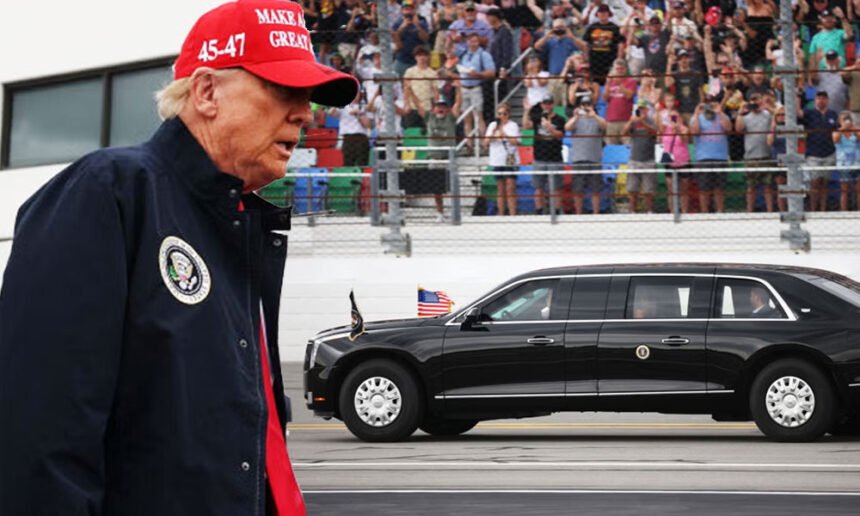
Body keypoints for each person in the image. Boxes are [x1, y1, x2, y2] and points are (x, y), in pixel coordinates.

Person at [0, 1, 359, 515]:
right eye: (284, 89)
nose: (305, 112)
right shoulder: (110, 193)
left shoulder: (238, 224)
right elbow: (39, 436)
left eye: (308, 96)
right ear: (207, 91)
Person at [565, 95, 608, 214]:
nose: (586, 107)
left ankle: (596, 214)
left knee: (596, 190)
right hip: (579, 158)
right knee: (578, 189)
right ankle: (579, 213)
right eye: (584, 105)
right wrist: (575, 116)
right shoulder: (576, 119)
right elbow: (567, 127)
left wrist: (594, 115)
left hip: (595, 158)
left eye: (588, 104)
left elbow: (605, 126)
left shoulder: (597, 119)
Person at [524, 94, 566, 214]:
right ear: (541, 105)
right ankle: (539, 211)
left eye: (549, 103)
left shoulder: (560, 119)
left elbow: (560, 135)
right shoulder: (537, 117)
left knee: (556, 188)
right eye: (544, 103)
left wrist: (550, 128)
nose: (547, 106)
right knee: (538, 187)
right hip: (539, 157)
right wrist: (527, 111)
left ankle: (557, 211)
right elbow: (526, 125)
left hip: (555, 158)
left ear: (553, 104)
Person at [691, 95, 732, 213]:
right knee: (704, 188)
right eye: (707, 103)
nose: (710, 106)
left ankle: (719, 211)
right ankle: (705, 212)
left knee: (719, 188)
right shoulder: (697, 117)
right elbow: (695, 131)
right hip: (703, 157)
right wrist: (697, 114)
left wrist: (720, 112)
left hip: (720, 156)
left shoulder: (722, 116)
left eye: (712, 103)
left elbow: (728, 128)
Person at [735, 93, 774, 212]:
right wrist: (740, 113)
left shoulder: (767, 115)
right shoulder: (746, 117)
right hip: (751, 156)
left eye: (757, 100)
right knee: (751, 186)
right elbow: (738, 129)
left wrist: (767, 106)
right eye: (752, 100)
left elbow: (778, 115)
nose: (755, 102)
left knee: (767, 186)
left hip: (766, 154)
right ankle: (749, 211)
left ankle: (770, 211)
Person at [800, 90, 838, 211]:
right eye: (819, 98)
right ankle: (813, 209)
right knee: (814, 182)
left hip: (829, 152)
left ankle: (823, 209)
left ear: (827, 100)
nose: (821, 100)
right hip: (813, 153)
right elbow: (798, 114)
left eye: (824, 98)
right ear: (815, 100)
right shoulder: (809, 113)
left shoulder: (833, 114)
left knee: (825, 183)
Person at [458, 32, 496, 154]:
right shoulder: (464, 54)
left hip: (476, 87)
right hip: (464, 87)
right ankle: (469, 145)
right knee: (466, 118)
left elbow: (491, 72)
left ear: (478, 42)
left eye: (475, 41)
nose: (472, 43)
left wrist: (478, 74)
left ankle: (483, 145)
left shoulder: (483, 55)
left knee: (479, 116)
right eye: (470, 41)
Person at [657, 93, 692, 213]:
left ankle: (685, 211)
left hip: (683, 160)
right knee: (671, 189)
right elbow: (659, 136)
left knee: (684, 189)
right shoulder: (665, 129)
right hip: (670, 161)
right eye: (671, 117)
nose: (673, 119)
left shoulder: (684, 129)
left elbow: (684, 139)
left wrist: (677, 128)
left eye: (675, 117)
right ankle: (672, 211)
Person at [486, 103, 521, 215]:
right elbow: (485, 142)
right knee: (500, 189)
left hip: (509, 158)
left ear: (508, 114)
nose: (502, 116)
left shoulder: (513, 126)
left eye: (504, 114)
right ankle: (500, 214)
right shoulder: (492, 125)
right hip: (497, 159)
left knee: (510, 188)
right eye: (499, 114)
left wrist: (504, 134)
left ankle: (512, 214)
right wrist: (492, 134)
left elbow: (516, 142)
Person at [624, 101, 658, 213]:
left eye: (644, 109)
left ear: (647, 110)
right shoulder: (633, 122)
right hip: (634, 159)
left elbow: (655, 133)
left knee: (649, 189)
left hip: (648, 159)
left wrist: (643, 122)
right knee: (632, 189)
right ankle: (632, 211)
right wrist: (630, 121)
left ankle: (649, 210)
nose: (642, 111)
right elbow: (624, 133)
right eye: (640, 109)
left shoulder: (652, 121)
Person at [602, 58, 638, 144]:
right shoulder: (610, 82)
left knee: (628, 146)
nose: (619, 71)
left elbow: (629, 95)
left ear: (625, 70)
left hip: (626, 120)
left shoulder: (631, 81)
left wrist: (619, 83)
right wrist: (607, 83)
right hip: (611, 121)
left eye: (622, 69)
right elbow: (605, 98)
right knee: (611, 146)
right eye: (617, 69)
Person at [393, 1, 431, 76]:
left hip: (418, 61)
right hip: (402, 59)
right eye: (406, 9)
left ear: (414, 10)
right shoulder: (397, 23)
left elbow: (426, 39)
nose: (408, 12)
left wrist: (417, 26)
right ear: (402, 11)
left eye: (410, 9)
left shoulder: (422, 22)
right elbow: (394, 39)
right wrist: (401, 28)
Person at [832, 111, 860, 211]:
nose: (847, 121)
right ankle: (844, 211)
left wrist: (854, 129)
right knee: (844, 190)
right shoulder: (837, 132)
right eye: (844, 119)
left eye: (848, 119)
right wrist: (843, 128)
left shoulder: (856, 131)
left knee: (858, 189)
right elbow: (835, 140)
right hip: (843, 164)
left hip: (857, 163)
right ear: (840, 121)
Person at [404, 45, 439, 115]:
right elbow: (406, 89)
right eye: (419, 55)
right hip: (412, 107)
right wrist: (407, 104)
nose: (422, 58)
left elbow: (435, 91)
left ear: (428, 57)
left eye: (424, 55)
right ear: (415, 57)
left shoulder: (433, 73)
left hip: (427, 107)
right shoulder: (409, 71)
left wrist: (436, 106)